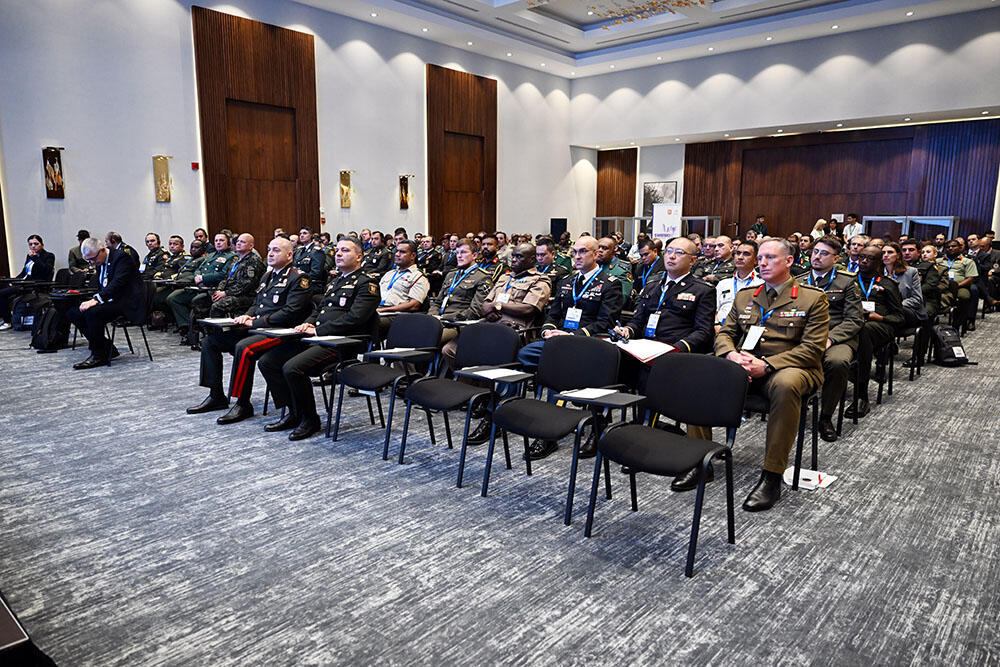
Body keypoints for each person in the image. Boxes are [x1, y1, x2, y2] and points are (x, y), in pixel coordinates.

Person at [707, 238, 829, 511]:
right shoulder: (745, 295)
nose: (762, 263)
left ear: (789, 262)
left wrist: (768, 365)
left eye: (770, 258)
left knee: (786, 385)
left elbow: (812, 349)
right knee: (701, 371)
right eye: (760, 258)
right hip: (745, 364)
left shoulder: (812, 298)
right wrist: (731, 355)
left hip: (792, 368)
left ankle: (771, 476)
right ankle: (699, 456)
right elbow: (726, 334)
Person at [257, 237, 381, 441]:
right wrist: (308, 323)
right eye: (338, 250)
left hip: (343, 342)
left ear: (359, 257)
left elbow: (356, 318)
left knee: (292, 368)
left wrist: (319, 330)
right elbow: (320, 310)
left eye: (345, 251)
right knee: (268, 362)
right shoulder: (336, 281)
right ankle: (293, 412)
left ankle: (310, 419)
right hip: (320, 338)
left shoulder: (367, 283)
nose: (338, 254)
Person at [516, 236, 623, 460]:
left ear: (596, 254)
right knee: (525, 353)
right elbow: (553, 314)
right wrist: (547, 330)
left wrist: (571, 335)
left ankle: (591, 424)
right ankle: (552, 419)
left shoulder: (610, 282)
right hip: (559, 340)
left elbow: (606, 322)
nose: (577, 256)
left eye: (583, 252)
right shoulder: (566, 281)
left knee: (558, 362)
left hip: (590, 342)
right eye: (575, 252)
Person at [187, 237, 313, 424]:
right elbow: (257, 303)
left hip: (281, 332)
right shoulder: (268, 276)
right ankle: (216, 396)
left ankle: (243, 403)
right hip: (258, 328)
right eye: (269, 249)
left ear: (289, 255)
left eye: (276, 250)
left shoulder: (298, 278)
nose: (270, 253)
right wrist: (247, 315)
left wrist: (256, 322)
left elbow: (291, 312)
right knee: (210, 342)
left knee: (244, 348)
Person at [802, 236, 863, 442]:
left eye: (824, 253)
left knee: (837, 362)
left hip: (836, 336)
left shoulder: (847, 281)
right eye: (815, 252)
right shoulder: (799, 280)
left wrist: (830, 339)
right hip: (804, 335)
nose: (817, 257)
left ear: (836, 258)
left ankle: (825, 417)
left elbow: (854, 320)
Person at [614, 236, 714, 353]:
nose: (672, 256)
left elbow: (703, 331)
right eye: (669, 251)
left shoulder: (702, 290)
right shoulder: (652, 286)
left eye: (679, 253)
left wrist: (676, 349)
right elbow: (637, 320)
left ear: (692, 261)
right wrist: (627, 330)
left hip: (675, 353)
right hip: (643, 349)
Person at [845, 246, 904, 419]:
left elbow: (899, 318)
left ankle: (861, 396)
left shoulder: (887, 284)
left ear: (879, 262)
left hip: (879, 326)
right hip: (852, 324)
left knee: (863, 332)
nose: (863, 261)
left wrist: (879, 318)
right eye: (862, 257)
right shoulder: (849, 281)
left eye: (869, 258)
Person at [67, 237, 144, 369]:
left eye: (93, 259)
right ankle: (107, 348)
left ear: (102, 250)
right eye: (88, 260)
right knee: (74, 312)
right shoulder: (100, 261)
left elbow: (117, 284)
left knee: (93, 313)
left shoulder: (121, 258)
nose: (92, 263)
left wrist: (96, 300)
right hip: (110, 300)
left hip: (126, 302)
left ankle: (98, 355)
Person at [166, 233, 235, 342]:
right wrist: (197, 277)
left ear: (228, 243)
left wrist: (204, 278)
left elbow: (224, 274)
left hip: (213, 289)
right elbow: (198, 268)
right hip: (198, 287)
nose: (218, 242)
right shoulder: (210, 255)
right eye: (216, 240)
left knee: (197, 301)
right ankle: (186, 328)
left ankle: (201, 331)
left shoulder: (231, 256)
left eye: (221, 240)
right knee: (174, 298)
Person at [429, 239, 493, 346]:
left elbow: (474, 312)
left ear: (475, 255)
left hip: (458, 324)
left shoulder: (483, 277)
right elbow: (437, 302)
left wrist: (443, 318)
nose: (459, 256)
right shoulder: (451, 275)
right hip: (439, 321)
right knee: (410, 335)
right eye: (457, 253)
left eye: (463, 252)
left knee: (427, 338)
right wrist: (432, 316)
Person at [0, 235, 56, 330]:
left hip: (35, 285)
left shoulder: (49, 256)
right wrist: (13, 281)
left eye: (36, 244)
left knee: (1, 294)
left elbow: (46, 270)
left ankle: (8, 321)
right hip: (24, 282)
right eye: (30, 244)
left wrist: (35, 258)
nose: (33, 246)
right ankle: (6, 317)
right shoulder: (29, 256)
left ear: (42, 245)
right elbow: (24, 272)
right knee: (3, 289)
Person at [376, 240, 430, 332]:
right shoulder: (389, 273)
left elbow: (413, 305)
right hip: (379, 310)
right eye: (397, 251)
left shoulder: (418, 277)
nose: (397, 254)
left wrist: (384, 310)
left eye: (402, 252)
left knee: (368, 322)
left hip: (397, 315)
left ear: (413, 256)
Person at [208, 233, 265, 318]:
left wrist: (225, 293)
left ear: (251, 246)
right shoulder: (236, 260)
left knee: (218, 306)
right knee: (202, 300)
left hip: (247, 296)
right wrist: (219, 291)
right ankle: (203, 329)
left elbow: (246, 285)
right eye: (238, 241)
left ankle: (220, 331)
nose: (238, 243)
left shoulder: (253, 261)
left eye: (242, 242)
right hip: (232, 293)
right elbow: (226, 278)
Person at [715, 240, 762, 328]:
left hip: (747, 328)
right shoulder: (723, 283)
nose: (740, 257)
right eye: (738, 253)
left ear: (756, 260)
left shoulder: (761, 283)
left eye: (746, 254)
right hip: (720, 328)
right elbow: (714, 310)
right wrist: (716, 324)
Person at [937, 239, 978, 335]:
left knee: (964, 297)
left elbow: (970, 278)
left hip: (960, 286)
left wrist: (957, 285)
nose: (950, 248)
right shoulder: (938, 261)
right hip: (941, 285)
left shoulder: (967, 261)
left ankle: (957, 323)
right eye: (948, 247)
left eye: (953, 246)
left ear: (960, 248)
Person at [883, 242, 926, 327]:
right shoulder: (877, 273)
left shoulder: (911, 272)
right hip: (883, 310)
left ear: (898, 255)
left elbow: (916, 299)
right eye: (883, 253)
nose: (886, 255)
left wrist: (896, 306)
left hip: (906, 310)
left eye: (890, 252)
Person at [293, 226, 327, 295]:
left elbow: (316, 273)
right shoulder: (298, 251)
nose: (302, 235)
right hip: (299, 282)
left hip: (312, 284)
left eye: (305, 233)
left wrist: (298, 280)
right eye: (300, 234)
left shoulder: (316, 251)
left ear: (311, 235)